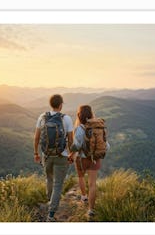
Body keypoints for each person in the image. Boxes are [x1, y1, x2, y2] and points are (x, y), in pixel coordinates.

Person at [34, 94, 73, 222]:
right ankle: (51, 214)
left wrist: (36, 153)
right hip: (61, 155)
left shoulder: (42, 117)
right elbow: (71, 140)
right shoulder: (66, 119)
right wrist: (72, 154)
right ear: (61, 105)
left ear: (51, 104)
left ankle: (50, 201)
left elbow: (37, 137)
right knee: (58, 184)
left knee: (49, 179)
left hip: (46, 155)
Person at [68, 105, 110, 221]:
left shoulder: (80, 128)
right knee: (92, 184)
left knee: (81, 176)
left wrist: (71, 154)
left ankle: (84, 196)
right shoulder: (98, 127)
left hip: (82, 159)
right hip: (95, 158)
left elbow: (76, 146)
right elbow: (107, 146)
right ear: (91, 114)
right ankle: (91, 210)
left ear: (79, 115)